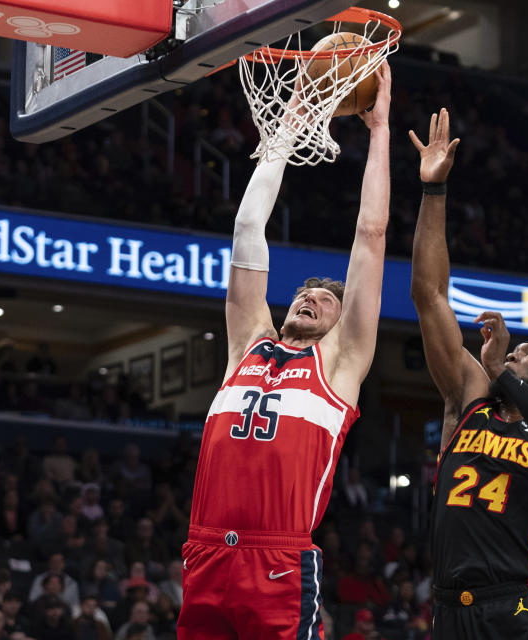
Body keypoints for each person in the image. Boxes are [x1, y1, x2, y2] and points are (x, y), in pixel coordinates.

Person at [177, 62, 392, 640]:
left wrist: (379, 133)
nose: (312, 300)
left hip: (277, 562)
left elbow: (370, 239)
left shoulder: (339, 364)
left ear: (340, 324)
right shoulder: (250, 341)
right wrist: (290, 123)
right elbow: (249, 228)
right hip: (204, 552)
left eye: (325, 300)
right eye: (306, 293)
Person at [409, 108, 528, 639]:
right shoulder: (472, 397)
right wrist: (433, 192)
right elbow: (429, 296)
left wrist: (503, 373)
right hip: (448, 610)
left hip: (516, 607)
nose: (518, 353)